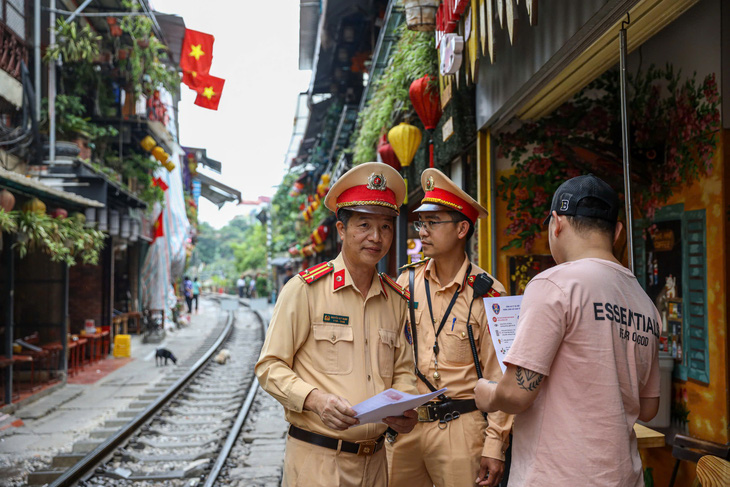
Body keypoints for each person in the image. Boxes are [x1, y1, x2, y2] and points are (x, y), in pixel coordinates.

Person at [474, 174, 661, 487]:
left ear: (556, 223)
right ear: (616, 232)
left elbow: (516, 395)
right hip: (624, 477)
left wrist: (488, 395)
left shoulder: (554, 284)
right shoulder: (645, 304)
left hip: (557, 477)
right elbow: (650, 408)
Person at [256, 162, 419, 487]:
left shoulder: (395, 299)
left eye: (386, 227)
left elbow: (402, 368)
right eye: (364, 225)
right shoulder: (305, 290)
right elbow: (270, 367)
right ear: (341, 229)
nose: (376, 237)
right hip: (318, 462)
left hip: (376, 463)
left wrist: (405, 404)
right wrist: (314, 399)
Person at [387, 168, 513, 487]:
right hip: (407, 428)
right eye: (421, 223)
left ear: (461, 229)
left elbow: (502, 375)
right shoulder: (406, 282)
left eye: (433, 223)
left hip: (461, 428)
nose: (422, 232)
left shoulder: (489, 293)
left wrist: (495, 445)